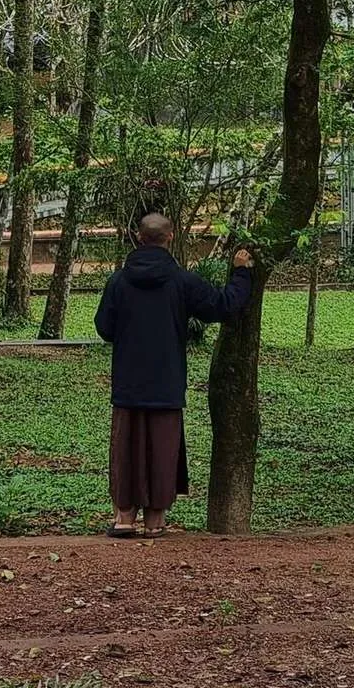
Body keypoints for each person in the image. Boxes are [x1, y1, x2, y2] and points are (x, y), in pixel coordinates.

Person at [94, 213, 252, 539]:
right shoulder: (182, 281)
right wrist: (240, 273)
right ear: (170, 237)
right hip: (166, 382)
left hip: (128, 382)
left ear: (138, 238)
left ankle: (124, 518)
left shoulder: (119, 282)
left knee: (127, 449)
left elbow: (104, 328)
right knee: (161, 450)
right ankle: (154, 522)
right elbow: (222, 306)